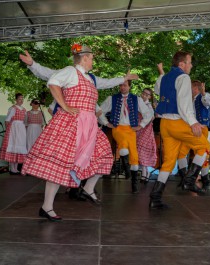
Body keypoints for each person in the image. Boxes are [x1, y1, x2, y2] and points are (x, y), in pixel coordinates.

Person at [21, 44, 137, 221]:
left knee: (104, 154)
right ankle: (46, 207)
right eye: (91, 58)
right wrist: (65, 106)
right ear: (84, 58)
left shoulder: (90, 78)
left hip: (89, 125)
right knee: (59, 164)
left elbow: (107, 82)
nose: (93, 61)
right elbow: (52, 80)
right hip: (71, 123)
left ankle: (88, 188)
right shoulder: (70, 71)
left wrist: (123, 78)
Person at [149, 51, 210, 209]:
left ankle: (155, 198)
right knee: (203, 146)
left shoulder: (164, 78)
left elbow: (157, 91)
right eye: (189, 62)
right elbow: (184, 104)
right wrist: (193, 122)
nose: (191, 65)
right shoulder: (183, 77)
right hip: (177, 122)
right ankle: (189, 180)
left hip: (165, 124)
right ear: (182, 64)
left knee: (169, 162)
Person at [99, 81, 153, 193]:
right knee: (123, 146)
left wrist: (141, 125)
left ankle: (134, 184)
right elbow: (99, 111)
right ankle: (126, 168)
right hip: (118, 128)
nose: (122, 87)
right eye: (120, 85)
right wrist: (106, 123)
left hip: (131, 130)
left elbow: (148, 114)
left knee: (134, 154)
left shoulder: (136, 99)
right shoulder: (112, 98)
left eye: (124, 85)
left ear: (129, 86)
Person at [177, 80, 210, 191]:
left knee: (203, 154)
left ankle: (205, 181)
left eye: (191, 87)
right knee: (181, 152)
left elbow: (208, 102)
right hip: (189, 130)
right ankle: (185, 179)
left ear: (196, 88)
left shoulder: (203, 97)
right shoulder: (189, 100)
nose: (189, 90)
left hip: (201, 130)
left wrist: (203, 93)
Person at [0, 93, 28, 174]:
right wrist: (8, 130)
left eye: (22, 99)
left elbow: (25, 121)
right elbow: (7, 120)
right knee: (14, 146)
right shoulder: (13, 108)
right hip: (14, 129)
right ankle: (12, 168)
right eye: (19, 99)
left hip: (21, 129)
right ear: (16, 99)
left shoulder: (24, 110)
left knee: (19, 146)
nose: (21, 100)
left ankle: (16, 168)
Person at [136, 88, 157, 184]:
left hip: (146, 130)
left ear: (150, 97)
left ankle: (145, 173)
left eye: (147, 94)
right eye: (143, 93)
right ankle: (145, 173)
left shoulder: (149, 106)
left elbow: (151, 118)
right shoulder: (137, 102)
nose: (144, 95)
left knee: (142, 150)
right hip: (138, 129)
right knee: (139, 150)